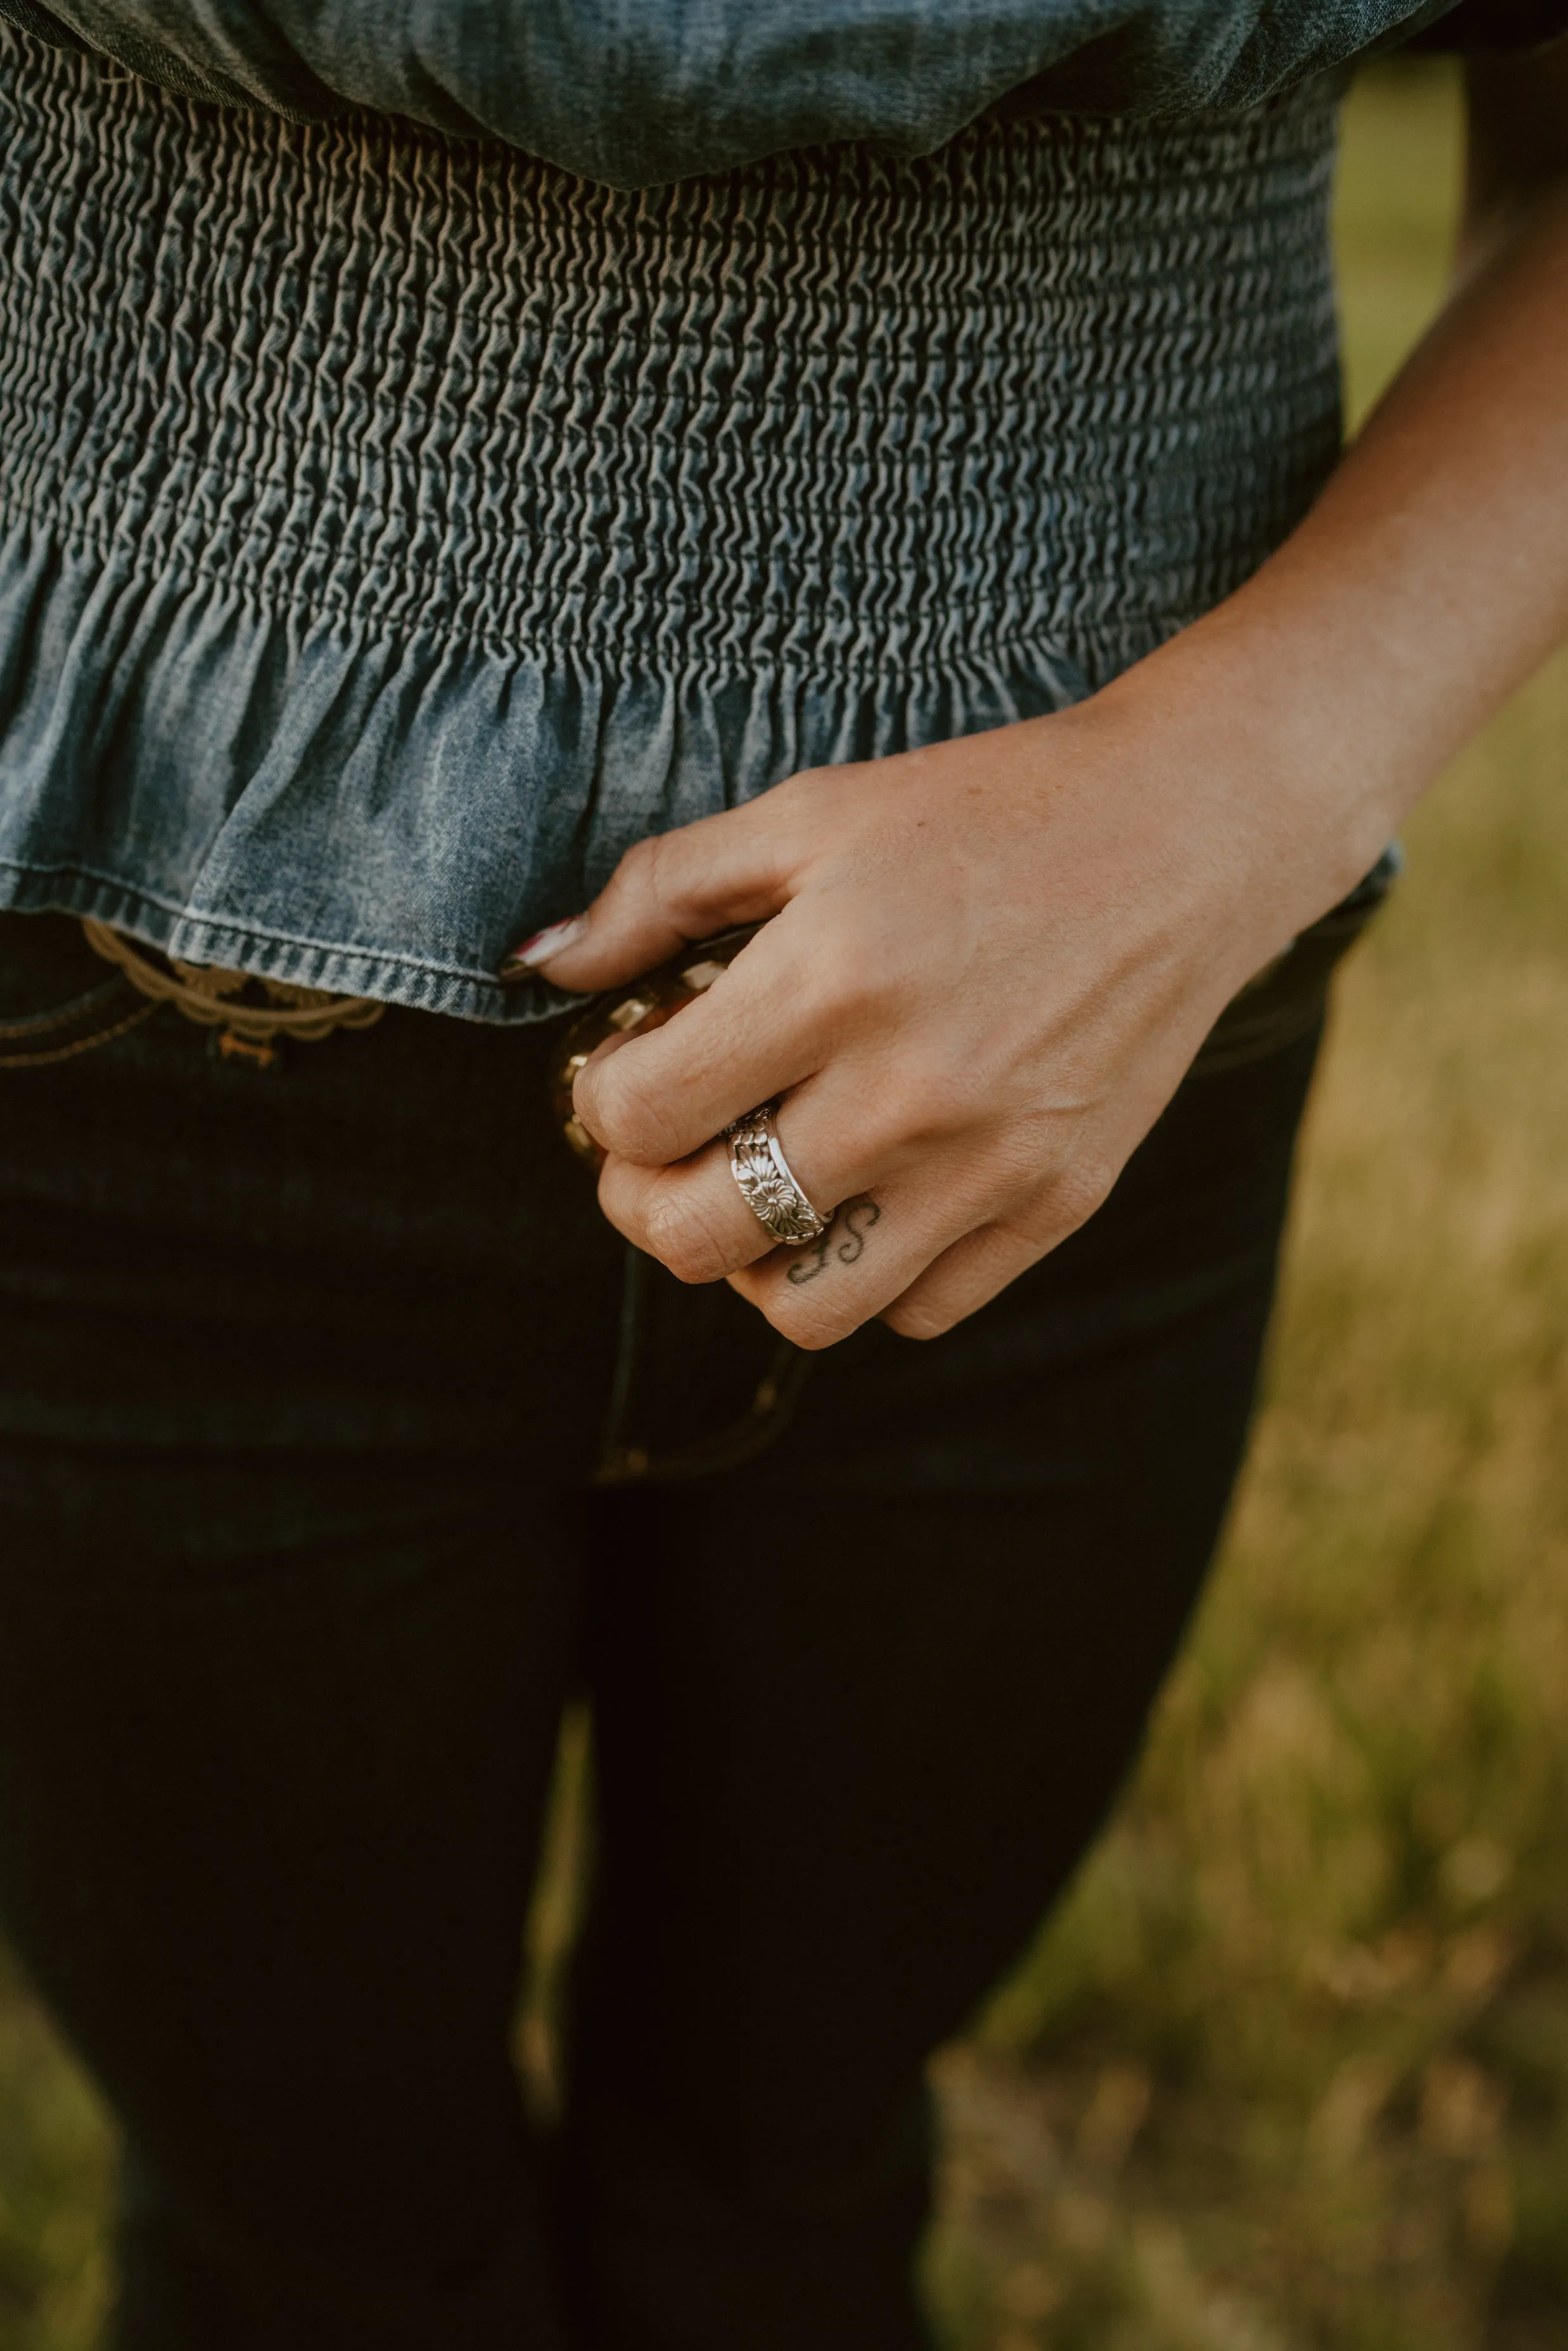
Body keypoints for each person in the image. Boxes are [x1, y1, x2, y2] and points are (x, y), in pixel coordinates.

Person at [1, 2, 1565, 2344]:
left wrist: (1256, 774)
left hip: (1094, 1036)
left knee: (789, 2193)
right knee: (305, 2248)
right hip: (110, 1033)